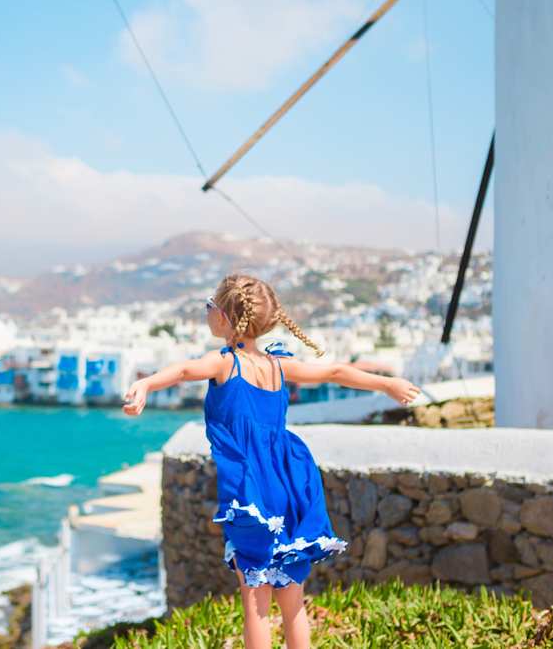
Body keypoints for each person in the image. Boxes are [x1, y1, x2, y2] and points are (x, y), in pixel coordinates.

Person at [123, 273, 421, 649]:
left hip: (252, 492)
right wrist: (387, 384)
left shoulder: (225, 364)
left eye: (210, 305)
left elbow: (183, 371)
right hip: (289, 481)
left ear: (227, 319)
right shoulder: (279, 367)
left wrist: (146, 385)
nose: (208, 311)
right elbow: (335, 371)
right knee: (292, 602)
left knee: (255, 603)